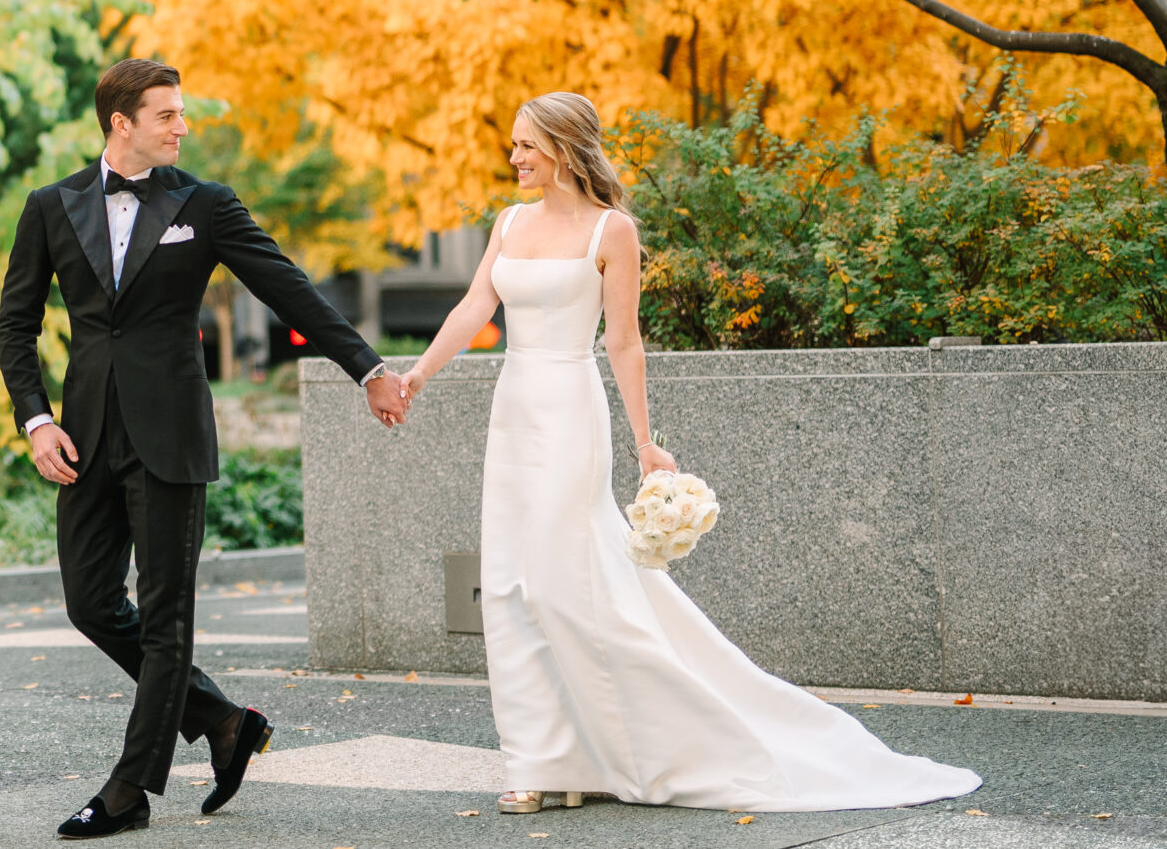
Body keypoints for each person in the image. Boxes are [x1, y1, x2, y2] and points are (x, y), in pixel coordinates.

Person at [400, 91, 982, 814]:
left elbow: (623, 340)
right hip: (513, 412)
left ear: (562, 147)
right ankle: (537, 760)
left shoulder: (613, 230)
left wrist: (647, 444)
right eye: (513, 144)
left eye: (525, 144)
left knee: (558, 584)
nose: (514, 156)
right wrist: (418, 375)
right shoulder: (509, 222)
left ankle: (634, 743)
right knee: (514, 584)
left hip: (571, 412)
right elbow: (473, 307)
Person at [0, 58, 411, 840]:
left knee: (164, 616)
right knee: (89, 602)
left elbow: (287, 287)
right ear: (121, 122)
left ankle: (129, 790)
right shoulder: (50, 205)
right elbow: (16, 324)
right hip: (81, 434)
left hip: (172, 434)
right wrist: (35, 418)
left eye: (182, 114)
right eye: (167, 115)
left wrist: (368, 367)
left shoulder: (205, 205)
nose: (182, 127)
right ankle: (223, 719)